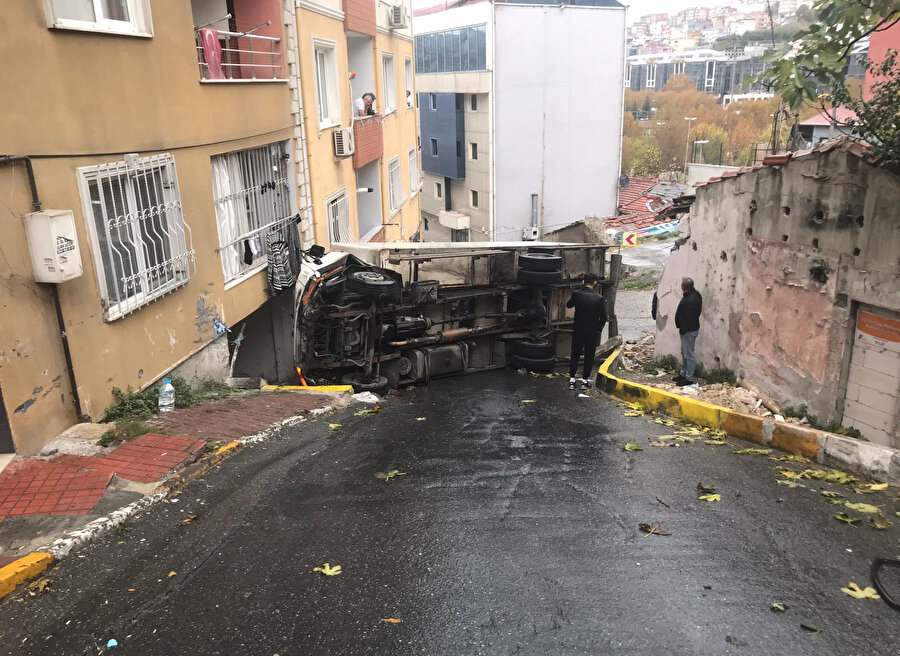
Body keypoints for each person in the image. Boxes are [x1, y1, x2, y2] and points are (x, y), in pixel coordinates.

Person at [567, 273, 608, 391]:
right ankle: (585, 381)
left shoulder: (577, 294)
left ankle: (572, 380)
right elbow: (603, 318)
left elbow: (569, 305)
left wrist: (573, 297)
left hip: (578, 329)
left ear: (583, 282)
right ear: (595, 283)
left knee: (575, 353)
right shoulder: (599, 298)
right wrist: (598, 330)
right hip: (591, 331)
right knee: (589, 356)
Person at [673, 277, 702, 386]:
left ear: (683, 287)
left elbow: (688, 318)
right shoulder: (695, 295)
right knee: (684, 353)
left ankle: (689, 378)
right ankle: (683, 374)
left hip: (688, 331)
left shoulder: (690, 299)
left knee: (688, 355)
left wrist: (683, 329)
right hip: (688, 329)